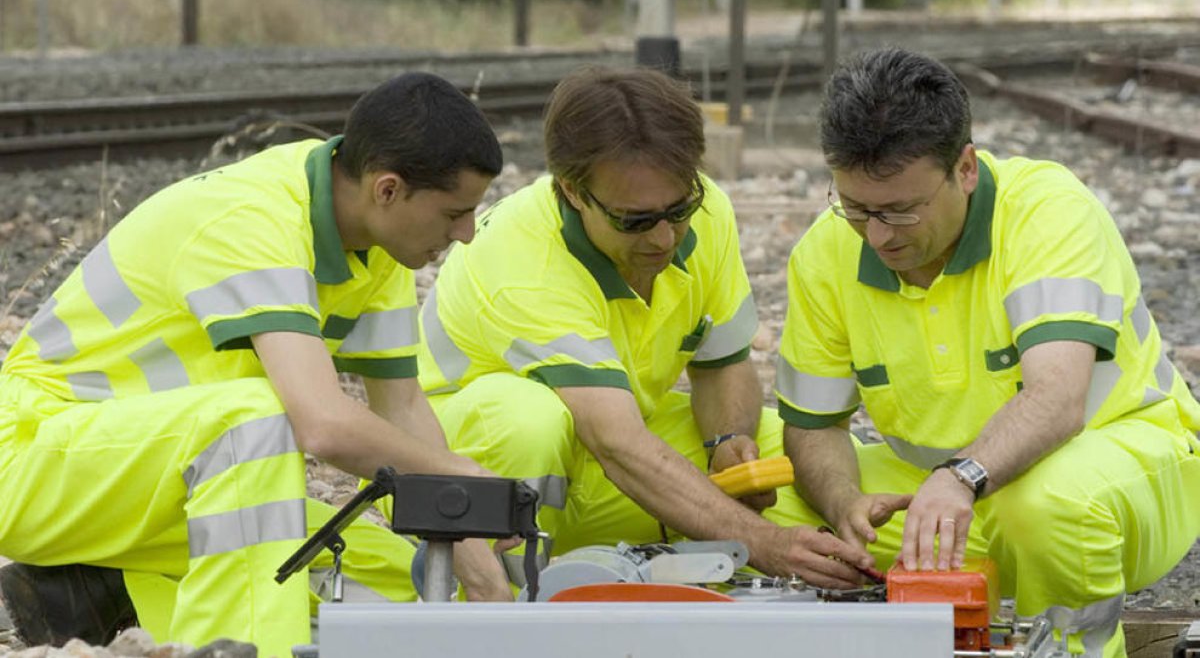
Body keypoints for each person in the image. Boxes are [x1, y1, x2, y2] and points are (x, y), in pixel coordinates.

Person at [0, 72, 515, 657]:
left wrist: (475, 564)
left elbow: (401, 408)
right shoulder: (252, 218)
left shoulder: (378, 245)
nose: (468, 233)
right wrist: (456, 476)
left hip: (158, 487)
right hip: (39, 462)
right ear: (389, 190)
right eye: (455, 213)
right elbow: (320, 423)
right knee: (256, 420)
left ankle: (98, 592)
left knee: (407, 577)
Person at [766, 47, 1200, 658]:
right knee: (764, 515)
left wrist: (960, 477)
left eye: (901, 210)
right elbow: (811, 430)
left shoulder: (1047, 212)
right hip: (951, 497)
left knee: (1048, 507)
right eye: (856, 207)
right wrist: (845, 505)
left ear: (965, 168)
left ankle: (1073, 650)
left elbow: (1057, 397)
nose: (878, 235)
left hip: (1114, 470)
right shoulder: (823, 253)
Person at [416, 65, 875, 587]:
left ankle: (696, 584)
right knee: (530, 419)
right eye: (634, 221)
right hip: (476, 467)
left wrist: (728, 438)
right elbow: (618, 444)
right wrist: (765, 544)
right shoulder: (523, 263)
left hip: (611, 449)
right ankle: (498, 589)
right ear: (571, 191)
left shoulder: (708, 216)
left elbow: (723, 365)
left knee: (792, 451)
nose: (663, 238)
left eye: (680, 208)